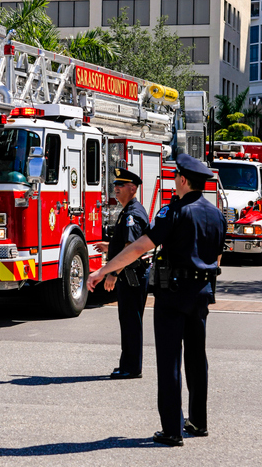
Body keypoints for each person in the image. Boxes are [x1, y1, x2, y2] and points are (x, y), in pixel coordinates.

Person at [88, 154, 227, 447]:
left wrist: (104, 269)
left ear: (184, 180)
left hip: (173, 294)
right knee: (196, 358)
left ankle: (172, 430)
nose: (174, 179)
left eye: (176, 176)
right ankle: (198, 422)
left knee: (169, 361)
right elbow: (216, 256)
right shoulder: (216, 214)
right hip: (201, 293)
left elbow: (139, 247)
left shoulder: (173, 212)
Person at [94, 168, 149, 380]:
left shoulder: (132, 214)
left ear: (132, 188)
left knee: (131, 323)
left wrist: (113, 273)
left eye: (121, 185)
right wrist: (110, 246)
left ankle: (132, 368)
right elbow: (125, 244)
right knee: (127, 322)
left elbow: (131, 247)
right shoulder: (128, 211)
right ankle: (127, 364)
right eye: (115, 185)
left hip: (130, 277)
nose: (115, 189)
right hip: (130, 276)